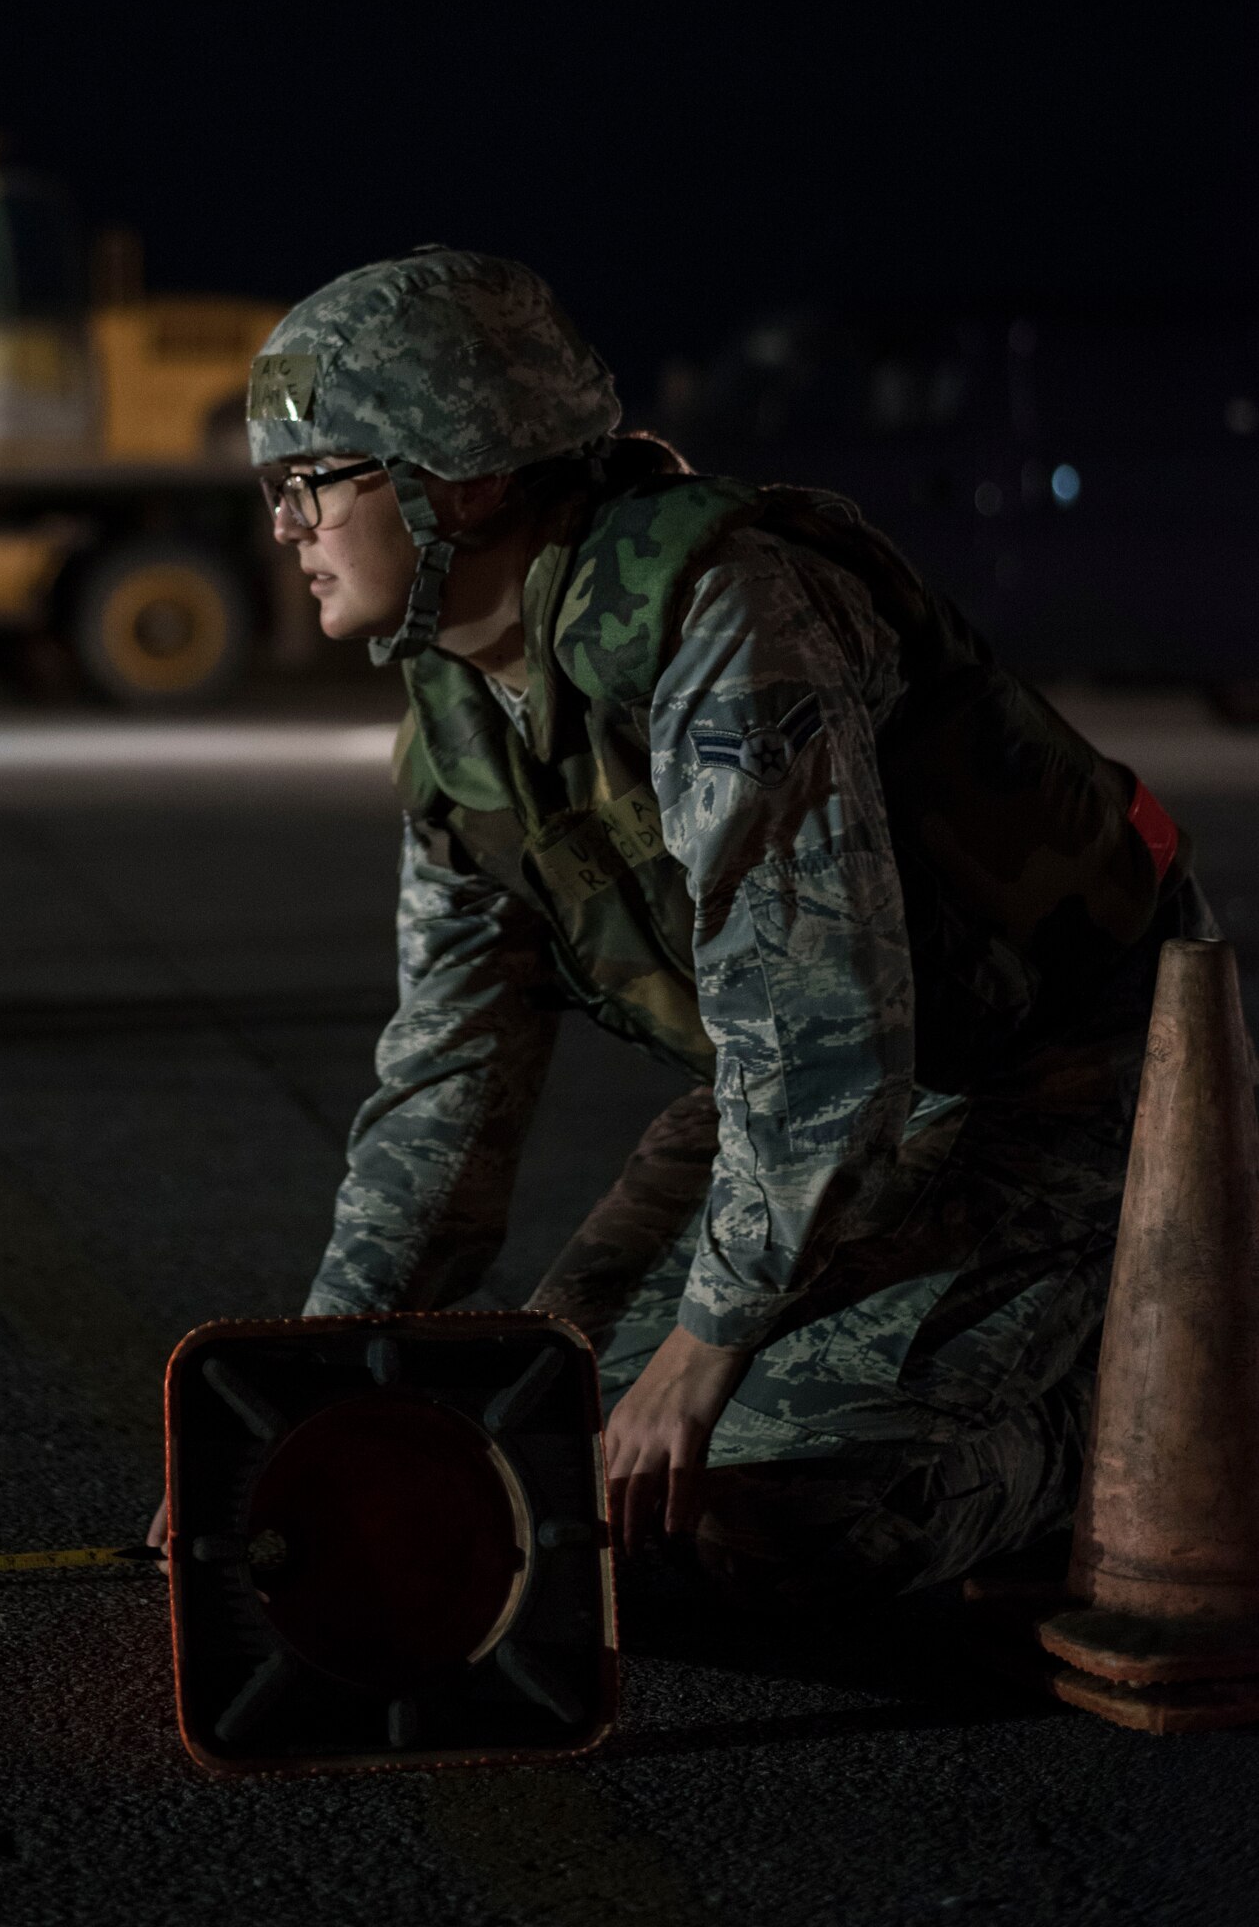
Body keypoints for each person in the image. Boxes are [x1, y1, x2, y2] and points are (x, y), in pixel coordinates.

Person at [149, 247, 1215, 1607]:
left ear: (457, 477)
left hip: (1070, 1070)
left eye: (313, 480)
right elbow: (448, 1084)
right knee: (531, 1455)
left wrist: (702, 1357)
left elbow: (823, 1028)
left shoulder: (724, 608)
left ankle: (1172, 1413)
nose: (285, 528)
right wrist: (287, 1398)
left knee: (780, 1510)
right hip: (830, 1092)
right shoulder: (462, 709)